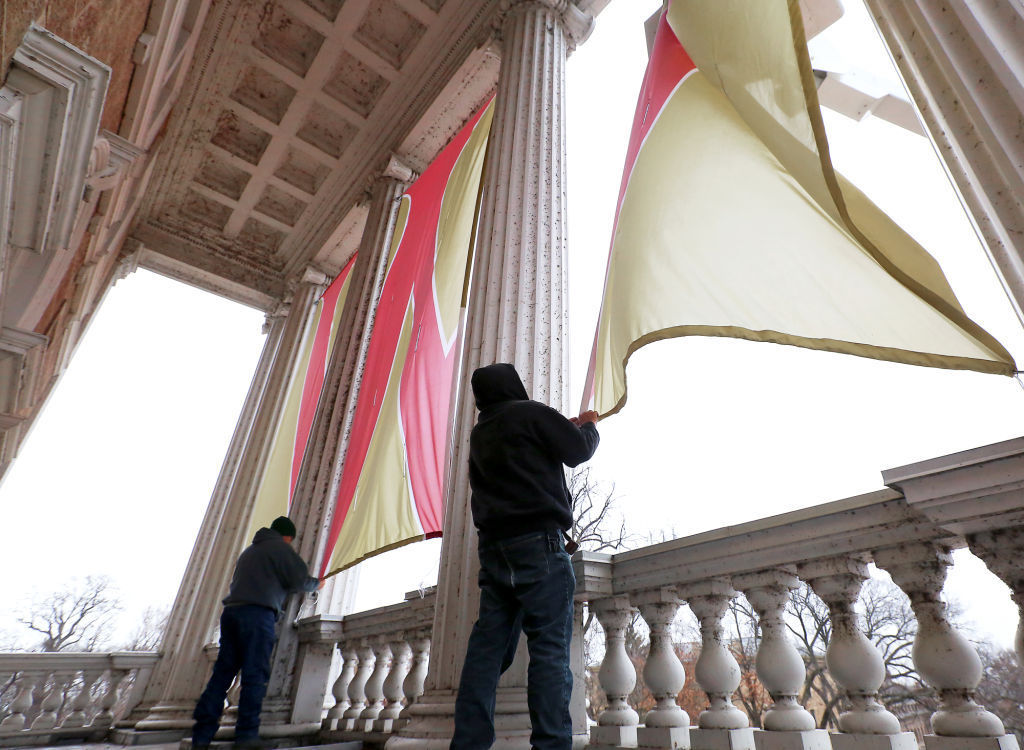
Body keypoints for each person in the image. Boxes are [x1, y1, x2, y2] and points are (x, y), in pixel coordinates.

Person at [451, 363, 600, 750]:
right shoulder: (531, 413)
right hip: (540, 547)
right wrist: (588, 424)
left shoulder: (481, 433)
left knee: (485, 654)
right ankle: (551, 745)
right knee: (549, 651)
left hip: (496, 552)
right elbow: (578, 450)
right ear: (515, 385)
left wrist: (554, 428)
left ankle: (468, 743)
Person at [192, 516, 323, 749]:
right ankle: (247, 737)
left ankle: (202, 735)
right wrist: (316, 584)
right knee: (255, 676)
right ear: (287, 537)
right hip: (257, 615)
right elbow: (297, 579)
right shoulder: (279, 549)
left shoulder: (250, 552)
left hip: (232, 613)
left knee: (222, 675)